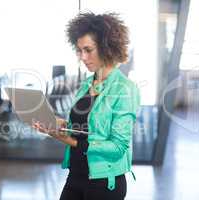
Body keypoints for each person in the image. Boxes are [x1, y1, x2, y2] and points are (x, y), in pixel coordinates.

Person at [32, 12, 140, 200]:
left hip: (104, 183)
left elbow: (118, 146)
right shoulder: (87, 83)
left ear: (107, 48)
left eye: (88, 50)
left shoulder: (125, 89)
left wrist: (68, 140)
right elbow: (84, 127)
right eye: (79, 50)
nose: (82, 56)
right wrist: (58, 124)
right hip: (76, 174)